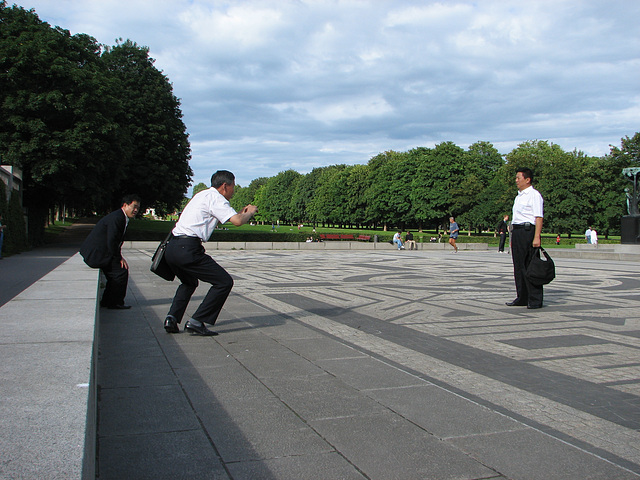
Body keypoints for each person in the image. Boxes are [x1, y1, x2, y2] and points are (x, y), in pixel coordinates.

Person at [163, 170, 258, 336]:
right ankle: (196, 321)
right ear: (225, 186)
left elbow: (231, 216)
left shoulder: (202, 195)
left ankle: (171, 318)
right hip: (188, 249)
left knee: (189, 282)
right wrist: (250, 212)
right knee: (224, 282)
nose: (234, 191)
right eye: (233, 187)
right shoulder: (216, 198)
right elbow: (237, 222)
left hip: (172, 247)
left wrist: (240, 212)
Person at [80, 194, 141, 309]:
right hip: (96, 255)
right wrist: (118, 258)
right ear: (125, 205)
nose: (136, 210)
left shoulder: (120, 217)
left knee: (118, 272)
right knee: (121, 272)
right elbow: (112, 241)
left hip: (100, 252)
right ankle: (114, 303)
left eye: (138, 207)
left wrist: (118, 256)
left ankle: (108, 301)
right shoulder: (117, 218)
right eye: (134, 207)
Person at [506, 168, 544, 309]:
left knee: (530, 266)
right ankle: (522, 297)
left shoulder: (534, 195)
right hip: (517, 232)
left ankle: (535, 299)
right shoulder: (519, 196)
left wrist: (536, 237)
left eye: (518, 178)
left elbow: (538, 217)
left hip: (528, 231)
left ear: (527, 179)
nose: (516, 180)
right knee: (518, 266)